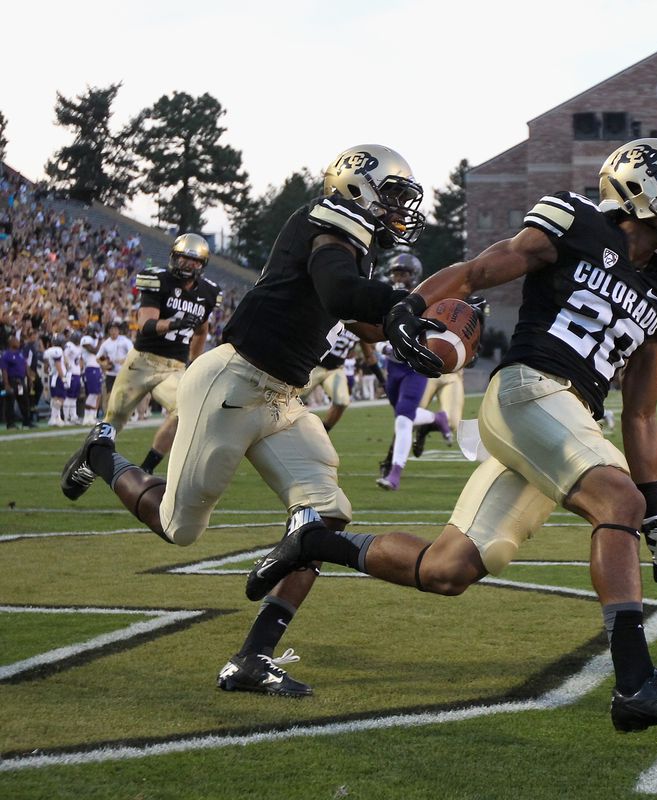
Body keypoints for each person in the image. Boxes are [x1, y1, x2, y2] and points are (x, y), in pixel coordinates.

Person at [245, 137, 657, 732]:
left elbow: (642, 413)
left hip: (576, 415)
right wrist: (408, 307)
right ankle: (636, 685)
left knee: (447, 570)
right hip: (528, 390)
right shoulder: (575, 222)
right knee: (618, 499)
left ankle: (314, 544)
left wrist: (656, 513)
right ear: (638, 187)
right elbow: (480, 268)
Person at [59, 143, 427, 696]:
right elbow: (340, 289)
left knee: (324, 517)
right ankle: (102, 455)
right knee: (178, 527)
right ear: (357, 187)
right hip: (233, 384)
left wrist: (432, 317)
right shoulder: (328, 223)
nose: (400, 207)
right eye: (393, 194)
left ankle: (252, 657)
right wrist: (407, 306)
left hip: (282, 399)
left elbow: (360, 314)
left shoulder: (358, 248)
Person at [94, 234, 221, 473]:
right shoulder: (158, 280)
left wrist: (193, 363)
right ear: (174, 257)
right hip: (141, 362)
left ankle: (146, 468)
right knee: (115, 417)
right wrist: (174, 324)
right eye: (182, 258)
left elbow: (202, 332)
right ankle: (88, 462)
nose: (186, 264)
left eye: (192, 261)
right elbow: (146, 324)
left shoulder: (208, 293)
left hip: (173, 367)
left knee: (187, 411)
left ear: (201, 265)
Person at [374, 252, 452, 489]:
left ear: (414, 275)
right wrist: (382, 347)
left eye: (403, 273)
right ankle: (437, 418)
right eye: (396, 272)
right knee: (403, 414)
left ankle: (395, 473)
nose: (399, 277)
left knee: (403, 419)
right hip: (393, 368)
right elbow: (375, 330)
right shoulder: (386, 297)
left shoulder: (424, 299)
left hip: (413, 367)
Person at [412, 293, 490, 458]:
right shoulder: (447, 314)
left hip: (453, 376)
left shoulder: (475, 329)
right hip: (427, 372)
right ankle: (390, 462)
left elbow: (472, 360)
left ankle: (424, 430)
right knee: (408, 416)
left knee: (453, 422)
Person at [298, 326, 365, 432]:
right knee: (292, 399)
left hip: (335, 369)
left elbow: (370, 355)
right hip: (314, 366)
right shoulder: (335, 315)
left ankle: (324, 431)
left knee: (342, 401)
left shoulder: (362, 327)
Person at [96, 322, 134, 419]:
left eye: (115, 329)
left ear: (118, 330)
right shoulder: (106, 343)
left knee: (123, 394)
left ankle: (124, 414)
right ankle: (111, 414)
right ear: (109, 331)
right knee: (109, 394)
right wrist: (104, 364)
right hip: (111, 372)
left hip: (123, 372)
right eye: (112, 329)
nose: (113, 331)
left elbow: (132, 353)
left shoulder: (125, 341)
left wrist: (125, 359)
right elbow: (98, 357)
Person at [1, 335, 34, 429]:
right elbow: (4, 370)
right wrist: (6, 384)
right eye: (16, 341)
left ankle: (26, 422)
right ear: (11, 343)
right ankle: (10, 424)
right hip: (12, 381)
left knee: (24, 402)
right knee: (10, 403)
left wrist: (30, 378)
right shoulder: (6, 355)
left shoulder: (20, 354)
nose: (18, 342)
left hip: (21, 382)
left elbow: (25, 366)